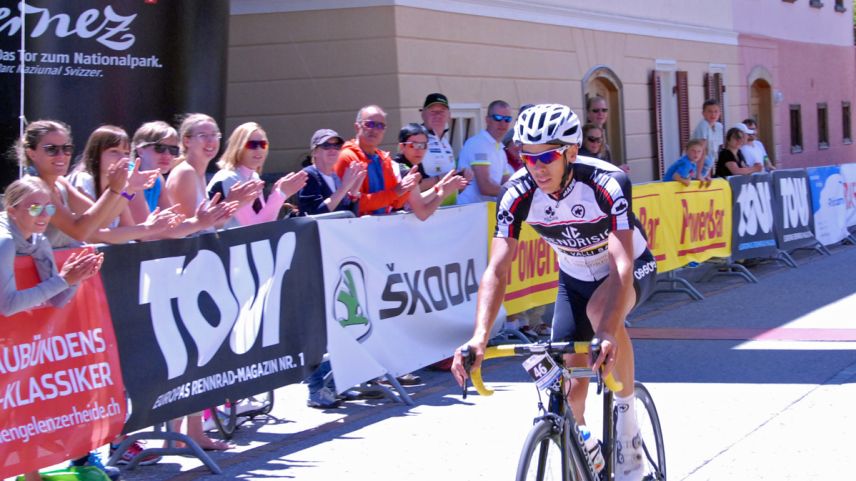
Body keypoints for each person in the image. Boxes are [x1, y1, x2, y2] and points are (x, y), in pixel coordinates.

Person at [451, 104, 656, 481]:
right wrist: (479, 336)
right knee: (569, 392)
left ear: (571, 152)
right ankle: (586, 450)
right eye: (527, 156)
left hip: (629, 268)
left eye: (546, 156)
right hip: (574, 278)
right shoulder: (518, 192)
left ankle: (628, 429)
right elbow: (497, 267)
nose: (536, 166)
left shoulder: (606, 182)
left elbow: (621, 261)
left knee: (600, 314)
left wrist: (608, 331)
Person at [0, 177, 110, 481]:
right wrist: (63, 280)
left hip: (13, 344)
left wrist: (77, 277)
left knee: (22, 408)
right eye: (35, 207)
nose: (45, 214)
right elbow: (7, 305)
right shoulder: (6, 240)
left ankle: (31, 476)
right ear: (12, 210)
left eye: (48, 206)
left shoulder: (38, 239)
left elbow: (59, 298)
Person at [16, 120, 146, 249]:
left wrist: (128, 190)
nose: (61, 155)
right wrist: (114, 191)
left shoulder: (61, 182)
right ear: (31, 153)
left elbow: (101, 222)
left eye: (66, 148)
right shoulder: (34, 187)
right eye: (51, 149)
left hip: (51, 265)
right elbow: (79, 233)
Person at [68, 125, 183, 243]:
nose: (123, 158)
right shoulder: (82, 180)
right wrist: (149, 228)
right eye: (114, 152)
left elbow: (125, 229)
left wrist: (130, 190)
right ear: (96, 153)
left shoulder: (121, 183)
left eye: (126, 153)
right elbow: (97, 230)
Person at [129, 120, 236, 236]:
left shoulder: (158, 179)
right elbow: (145, 234)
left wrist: (210, 220)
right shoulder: (130, 177)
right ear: (140, 150)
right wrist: (199, 223)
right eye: (159, 148)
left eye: (173, 150)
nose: (167, 155)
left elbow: (172, 227)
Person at [165, 113, 262, 227]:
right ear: (187, 141)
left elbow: (208, 226)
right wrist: (229, 202)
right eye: (203, 135)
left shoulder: (198, 174)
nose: (211, 141)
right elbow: (190, 230)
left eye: (214, 135)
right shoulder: (186, 172)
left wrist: (235, 204)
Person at [207, 122, 308, 228]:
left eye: (263, 144)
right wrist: (279, 195)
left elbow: (263, 223)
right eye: (252, 145)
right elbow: (253, 227)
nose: (259, 149)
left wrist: (278, 193)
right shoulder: (230, 178)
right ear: (238, 147)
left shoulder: (253, 176)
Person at [334, 105, 420, 216]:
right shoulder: (347, 158)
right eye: (369, 124)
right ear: (357, 127)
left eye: (380, 126)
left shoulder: (384, 159)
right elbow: (354, 204)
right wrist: (395, 192)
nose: (374, 130)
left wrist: (407, 188)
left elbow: (396, 203)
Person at [393, 123, 468, 220]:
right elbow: (422, 214)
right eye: (414, 145)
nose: (419, 150)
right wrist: (444, 191)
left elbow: (415, 201)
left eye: (423, 145)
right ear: (402, 147)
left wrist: (440, 186)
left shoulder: (414, 166)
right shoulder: (403, 169)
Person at [456, 100, 514, 204]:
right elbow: (485, 187)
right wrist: (515, 193)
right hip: (468, 211)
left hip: (485, 211)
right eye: (498, 118)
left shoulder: (500, 149)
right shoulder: (479, 143)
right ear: (487, 120)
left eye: (507, 119)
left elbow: (507, 182)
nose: (502, 123)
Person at [298, 129, 364, 216]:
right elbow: (314, 215)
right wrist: (344, 188)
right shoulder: (308, 176)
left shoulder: (335, 177)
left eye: (337, 145)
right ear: (315, 152)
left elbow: (349, 217)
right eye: (326, 145)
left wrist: (354, 194)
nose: (332, 149)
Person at [692, 99, 724, 178]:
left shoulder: (719, 126)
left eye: (716, 111)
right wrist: (698, 175)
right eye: (709, 111)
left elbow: (713, 152)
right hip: (693, 167)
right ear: (703, 113)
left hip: (706, 167)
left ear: (720, 113)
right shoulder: (703, 125)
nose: (713, 114)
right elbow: (701, 151)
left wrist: (707, 175)